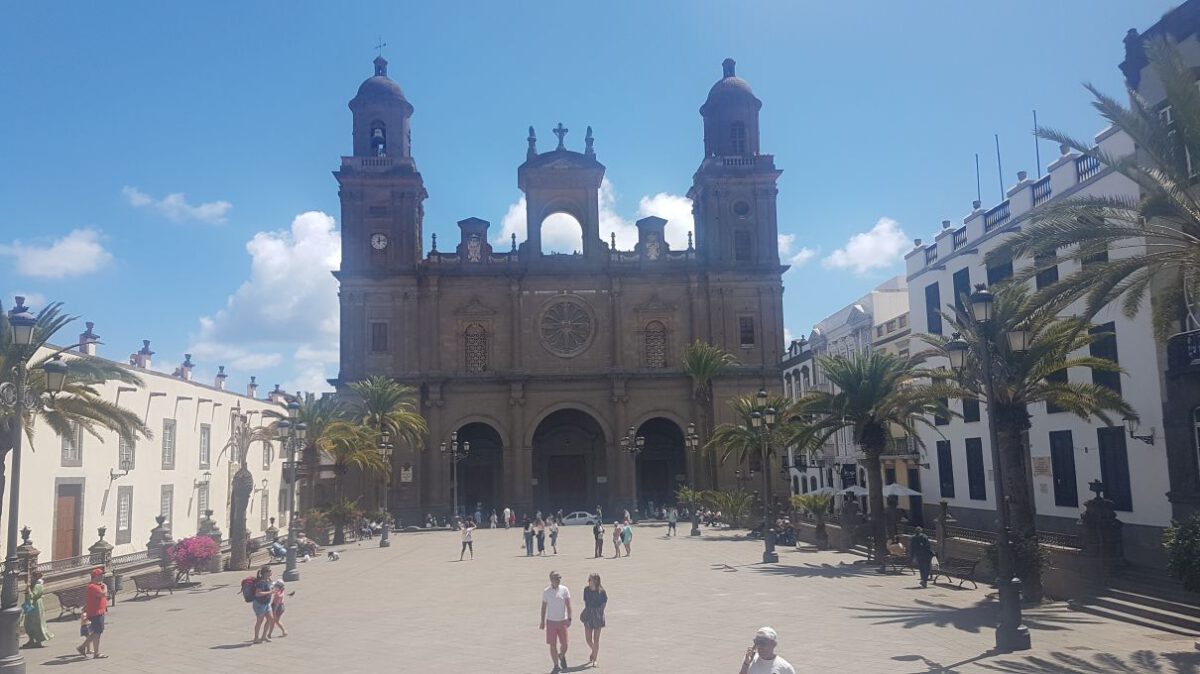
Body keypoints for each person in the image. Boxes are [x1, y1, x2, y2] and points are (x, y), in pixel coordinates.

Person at [539, 571, 572, 673]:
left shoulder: (564, 589)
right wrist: (542, 621)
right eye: (556, 578)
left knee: (565, 644)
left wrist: (569, 618)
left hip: (562, 621)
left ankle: (561, 656)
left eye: (559, 578)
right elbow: (544, 607)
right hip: (551, 622)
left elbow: (568, 605)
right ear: (551, 579)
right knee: (552, 644)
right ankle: (556, 665)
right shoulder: (546, 592)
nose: (558, 580)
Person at [75, 568, 107, 659]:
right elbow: (103, 594)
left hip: (98, 612)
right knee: (96, 632)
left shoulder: (96, 585)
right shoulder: (92, 586)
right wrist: (105, 586)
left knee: (97, 632)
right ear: (95, 576)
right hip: (96, 613)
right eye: (101, 575)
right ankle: (83, 647)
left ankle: (95, 652)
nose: (102, 576)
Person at [581, 573, 607, 667]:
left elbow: (604, 603)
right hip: (588, 614)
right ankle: (594, 650)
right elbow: (585, 601)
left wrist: (599, 612)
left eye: (592, 579)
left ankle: (595, 660)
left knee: (596, 639)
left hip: (597, 615)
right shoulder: (586, 590)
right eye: (590, 579)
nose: (590, 581)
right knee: (588, 639)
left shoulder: (601, 591)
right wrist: (588, 611)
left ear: (596, 581)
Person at [22, 570, 52, 648]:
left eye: (32, 576)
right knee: (28, 622)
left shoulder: (38, 585)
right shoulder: (33, 584)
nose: (30, 578)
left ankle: (38, 641)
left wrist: (28, 588)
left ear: (35, 577)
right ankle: (31, 640)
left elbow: (32, 595)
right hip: (29, 604)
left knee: (36, 622)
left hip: (35, 605)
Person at [252, 565, 274, 644]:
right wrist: (270, 592)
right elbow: (258, 593)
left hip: (267, 603)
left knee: (270, 619)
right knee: (260, 621)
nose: (271, 572)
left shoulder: (268, 580)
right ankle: (256, 638)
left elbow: (270, 588)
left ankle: (264, 636)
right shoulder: (261, 582)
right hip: (259, 604)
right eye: (270, 570)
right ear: (266, 573)